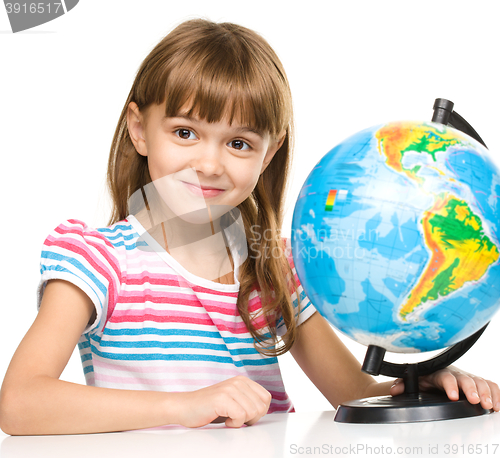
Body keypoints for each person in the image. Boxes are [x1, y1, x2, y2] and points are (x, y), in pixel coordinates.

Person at [0, 19, 498, 436]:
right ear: (138, 130)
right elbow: (20, 404)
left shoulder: (278, 267)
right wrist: (184, 407)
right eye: (185, 132)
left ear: (269, 153)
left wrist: (420, 383)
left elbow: (352, 396)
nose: (210, 163)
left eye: (239, 143)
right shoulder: (99, 260)